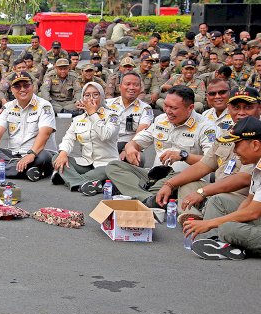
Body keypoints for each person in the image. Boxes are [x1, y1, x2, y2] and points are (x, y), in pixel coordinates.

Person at [156, 88, 260, 224]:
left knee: (218, 200)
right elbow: (203, 165)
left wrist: (202, 192)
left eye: (248, 107)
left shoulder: (257, 137)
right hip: (217, 191)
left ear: (259, 108)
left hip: (244, 198)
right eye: (235, 107)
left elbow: (243, 179)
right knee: (187, 184)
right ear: (228, 109)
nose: (241, 113)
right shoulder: (227, 134)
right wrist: (169, 184)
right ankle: (193, 218)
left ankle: (209, 227)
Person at [105, 86, 217, 207]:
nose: (168, 111)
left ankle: (141, 194)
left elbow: (213, 162)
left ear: (190, 108)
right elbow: (137, 141)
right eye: (166, 106)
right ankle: (149, 198)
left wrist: (184, 156)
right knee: (114, 166)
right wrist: (130, 148)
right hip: (155, 175)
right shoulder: (161, 119)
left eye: (173, 108)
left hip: (183, 178)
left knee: (170, 179)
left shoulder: (206, 127)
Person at [183, 116, 261, 260]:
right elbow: (248, 202)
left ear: (255, 145)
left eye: (237, 145)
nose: (235, 151)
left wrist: (211, 223)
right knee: (218, 201)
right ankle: (218, 242)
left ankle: (231, 244)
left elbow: (253, 212)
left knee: (228, 229)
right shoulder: (257, 165)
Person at [51, 82, 119, 193]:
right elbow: (68, 138)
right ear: (83, 98)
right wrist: (63, 153)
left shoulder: (112, 116)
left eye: (95, 95)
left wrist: (93, 114)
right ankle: (86, 183)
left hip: (106, 163)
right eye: (87, 95)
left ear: (101, 96)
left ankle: (71, 180)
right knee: (57, 158)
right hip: (86, 162)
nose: (91, 98)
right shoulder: (78, 119)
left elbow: (105, 135)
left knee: (108, 170)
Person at [0, 72, 56, 182]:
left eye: (26, 85)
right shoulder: (8, 107)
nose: (22, 89)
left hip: (37, 154)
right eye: (17, 86)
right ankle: (28, 171)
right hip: (14, 154)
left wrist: (31, 154)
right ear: (11, 89)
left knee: (44, 157)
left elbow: (45, 133)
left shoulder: (44, 106)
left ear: (33, 86)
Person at [105, 72, 154, 154]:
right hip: (106, 144)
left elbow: (141, 132)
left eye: (136, 85)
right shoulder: (107, 104)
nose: (131, 88)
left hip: (129, 146)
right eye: (128, 84)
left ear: (140, 88)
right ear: (120, 87)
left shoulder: (146, 109)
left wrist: (126, 149)